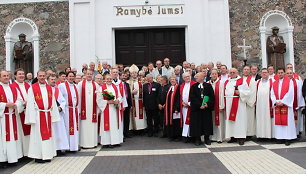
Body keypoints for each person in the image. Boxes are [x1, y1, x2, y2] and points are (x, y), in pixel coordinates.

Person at [25, 70, 60, 163]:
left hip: (48, 114)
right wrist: (31, 118)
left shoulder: (49, 88)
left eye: (43, 76)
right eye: (40, 76)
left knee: (48, 136)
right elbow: (30, 104)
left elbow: (53, 102)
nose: (42, 77)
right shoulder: (32, 88)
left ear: (46, 76)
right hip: (38, 115)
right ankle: (38, 156)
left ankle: (48, 155)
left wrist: (54, 115)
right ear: (37, 76)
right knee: (38, 137)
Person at [0, 70, 23, 167]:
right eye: (4, 76)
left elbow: (20, 99)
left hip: (12, 116)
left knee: (13, 138)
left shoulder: (13, 87)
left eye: (7, 75)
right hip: (2, 118)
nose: (6, 77)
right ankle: (2, 160)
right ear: (0, 77)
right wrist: (5, 104)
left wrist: (16, 105)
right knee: (2, 140)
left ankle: (13, 158)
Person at [224, 68, 250, 145]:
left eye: (234, 72)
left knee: (239, 121)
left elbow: (247, 92)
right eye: (231, 72)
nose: (232, 73)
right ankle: (232, 136)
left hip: (239, 103)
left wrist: (240, 92)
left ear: (237, 72)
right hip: (229, 103)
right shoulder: (227, 81)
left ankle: (241, 137)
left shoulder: (242, 81)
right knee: (230, 121)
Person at [97, 74, 123, 148]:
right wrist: (107, 102)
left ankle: (116, 141)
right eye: (107, 79)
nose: (109, 80)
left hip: (115, 109)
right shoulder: (101, 88)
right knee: (107, 126)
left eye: (110, 79)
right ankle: (107, 142)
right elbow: (98, 100)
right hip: (106, 109)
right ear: (104, 79)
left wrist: (118, 100)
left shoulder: (115, 87)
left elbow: (120, 96)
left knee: (115, 125)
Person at [271, 68, 295, 146]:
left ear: (284, 73)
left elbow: (290, 92)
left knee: (287, 122)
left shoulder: (289, 81)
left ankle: (288, 138)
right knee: (278, 122)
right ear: (277, 74)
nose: (280, 74)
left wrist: (283, 102)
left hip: (286, 105)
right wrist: (276, 101)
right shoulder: (274, 83)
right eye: (279, 73)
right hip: (278, 104)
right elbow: (272, 94)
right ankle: (280, 137)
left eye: (282, 72)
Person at [189, 72, 214, 146]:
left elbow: (212, 96)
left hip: (206, 109)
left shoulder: (208, 86)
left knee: (207, 123)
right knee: (197, 124)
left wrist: (207, 104)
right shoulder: (193, 86)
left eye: (197, 76)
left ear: (202, 78)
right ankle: (197, 139)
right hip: (197, 109)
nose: (195, 77)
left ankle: (207, 138)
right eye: (195, 76)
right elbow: (192, 97)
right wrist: (199, 105)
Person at [47, 74, 69, 155]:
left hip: (58, 114)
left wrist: (60, 107)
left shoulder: (57, 89)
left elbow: (63, 101)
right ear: (48, 80)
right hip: (49, 114)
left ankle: (59, 148)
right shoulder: (46, 89)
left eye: (54, 79)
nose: (53, 81)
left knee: (59, 131)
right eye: (51, 79)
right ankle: (52, 148)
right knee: (52, 131)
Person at [11, 69, 31, 157]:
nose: (22, 76)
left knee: (29, 133)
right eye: (19, 74)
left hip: (29, 112)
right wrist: (22, 104)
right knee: (20, 133)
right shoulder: (12, 86)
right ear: (15, 76)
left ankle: (28, 152)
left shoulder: (28, 85)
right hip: (19, 114)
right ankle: (22, 153)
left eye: (23, 74)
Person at [58, 71, 79, 152]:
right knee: (67, 128)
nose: (71, 78)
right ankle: (67, 146)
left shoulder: (76, 86)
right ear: (66, 77)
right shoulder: (62, 86)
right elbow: (59, 98)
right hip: (67, 110)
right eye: (69, 76)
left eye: (72, 76)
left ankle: (74, 146)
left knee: (75, 128)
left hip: (74, 110)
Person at [78, 69, 99, 148]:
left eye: (90, 74)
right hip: (84, 110)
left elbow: (99, 97)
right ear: (85, 74)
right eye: (88, 74)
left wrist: (98, 109)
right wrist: (79, 109)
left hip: (93, 110)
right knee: (84, 127)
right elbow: (78, 97)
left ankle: (93, 143)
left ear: (92, 75)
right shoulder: (80, 84)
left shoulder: (96, 85)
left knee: (92, 126)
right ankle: (84, 144)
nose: (89, 75)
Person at [128, 65, 147, 134]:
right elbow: (126, 92)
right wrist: (131, 92)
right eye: (132, 73)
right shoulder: (128, 82)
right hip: (132, 101)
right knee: (133, 115)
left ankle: (141, 129)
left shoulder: (142, 81)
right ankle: (134, 129)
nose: (134, 74)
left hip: (141, 101)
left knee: (141, 115)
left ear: (137, 73)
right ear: (130, 74)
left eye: (135, 73)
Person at [256, 68, 274, 139]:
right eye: (263, 72)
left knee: (268, 119)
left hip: (268, 104)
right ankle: (261, 135)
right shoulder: (258, 82)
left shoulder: (272, 81)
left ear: (268, 73)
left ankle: (269, 135)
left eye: (265, 72)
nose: (264, 74)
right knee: (260, 118)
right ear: (261, 74)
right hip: (260, 104)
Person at [286, 69, 305, 137]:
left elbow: (300, 93)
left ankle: (296, 134)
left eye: (290, 73)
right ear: (286, 74)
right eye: (287, 73)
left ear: (293, 73)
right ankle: (289, 135)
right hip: (287, 105)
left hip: (296, 105)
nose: (289, 74)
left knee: (297, 121)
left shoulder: (298, 82)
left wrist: (301, 104)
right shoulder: (284, 82)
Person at [208, 69, 225, 143]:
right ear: (210, 75)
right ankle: (212, 137)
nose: (214, 75)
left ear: (217, 75)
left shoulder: (221, 83)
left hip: (218, 105)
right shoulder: (208, 83)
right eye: (213, 74)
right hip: (210, 106)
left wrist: (221, 106)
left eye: (215, 74)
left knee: (219, 122)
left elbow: (222, 95)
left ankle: (219, 138)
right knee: (211, 121)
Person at [180, 72, 196, 143]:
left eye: (188, 76)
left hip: (191, 107)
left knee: (191, 121)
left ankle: (192, 136)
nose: (187, 78)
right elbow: (180, 96)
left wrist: (189, 104)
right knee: (184, 121)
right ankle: (185, 136)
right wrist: (182, 103)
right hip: (183, 107)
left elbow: (196, 96)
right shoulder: (182, 85)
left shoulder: (194, 84)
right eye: (185, 77)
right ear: (183, 78)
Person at [164, 76, 181, 141]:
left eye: (174, 79)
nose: (172, 81)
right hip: (169, 108)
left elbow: (178, 98)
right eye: (171, 79)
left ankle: (177, 136)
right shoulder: (170, 87)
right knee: (171, 121)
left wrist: (177, 108)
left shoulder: (178, 87)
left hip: (175, 108)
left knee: (176, 122)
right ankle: (171, 135)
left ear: (176, 80)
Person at [242, 66, 257, 140]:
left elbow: (253, 92)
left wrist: (249, 101)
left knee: (249, 119)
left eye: (248, 69)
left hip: (249, 103)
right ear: (242, 70)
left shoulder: (252, 80)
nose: (246, 71)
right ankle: (243, 133)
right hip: (242, 102)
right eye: (245, 69)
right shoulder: (240, 79)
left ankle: (249, 134)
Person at [121, 73, 132, 138]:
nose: (124, 77)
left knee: (127, 119)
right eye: (123, 75)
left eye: (125, 76)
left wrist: (130, 105)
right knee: (121, 119)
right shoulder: (119, 84)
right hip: (121, 104)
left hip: (127, 103)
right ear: (120, 76)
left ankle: (126, 132)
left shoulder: (127, 84)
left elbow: (129, 94)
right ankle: (121, 134)